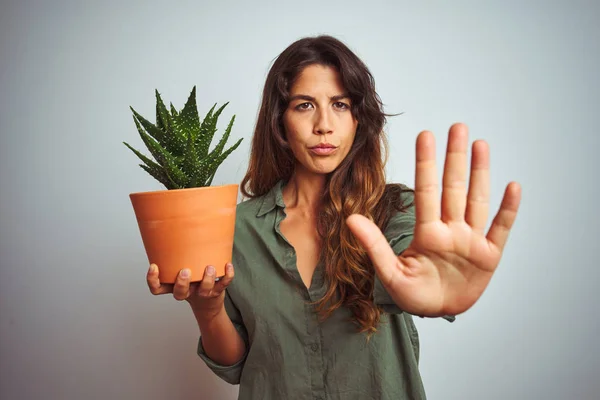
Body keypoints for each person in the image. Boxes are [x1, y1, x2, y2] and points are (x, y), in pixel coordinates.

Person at [146, 35, 521, 399]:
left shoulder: (394, 210)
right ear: (280, 123)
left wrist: (431, 281)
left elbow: (413, 253)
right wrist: (207, 308)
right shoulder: (237, 228)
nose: (324, 124)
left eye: (340, 104)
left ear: (359, 119)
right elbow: (237, 363)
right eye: (304, 105)